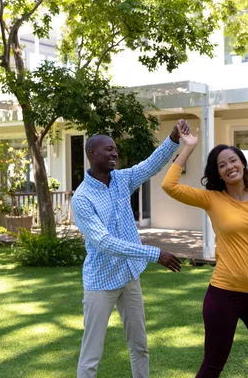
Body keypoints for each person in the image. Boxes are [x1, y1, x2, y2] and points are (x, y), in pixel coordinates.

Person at [161, 127, 248, 378]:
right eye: (222, 165)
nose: (229, 167)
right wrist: (189, 146)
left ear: (243, 164)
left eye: (233, 160)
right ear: (219, 174)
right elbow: (169, 185)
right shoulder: (212, 199)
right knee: (213, 365)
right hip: (223, 295)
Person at [72, 120, 190, 378]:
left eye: (115, 149)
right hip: (100, 282)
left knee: (140, 345)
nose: (114, 153)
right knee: (92, 354)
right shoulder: (82, 199)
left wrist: (172, 139)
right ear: (92, 154)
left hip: (128, 276)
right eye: (108, 149)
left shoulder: (121, 180)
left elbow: (150, 166)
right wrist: (154, 253)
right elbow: (103, 242)